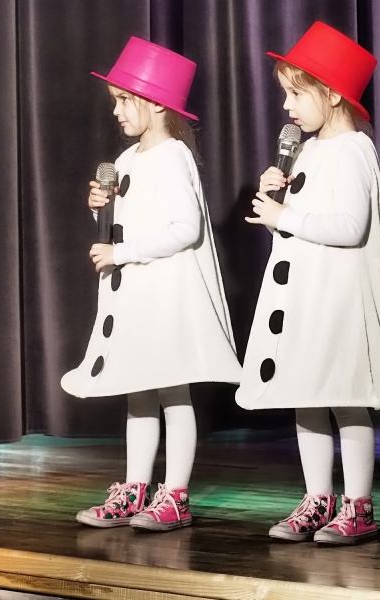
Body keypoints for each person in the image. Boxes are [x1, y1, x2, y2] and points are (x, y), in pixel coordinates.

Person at [236, 22, 380, 545]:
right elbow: (301, 228)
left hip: (337, 298)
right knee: (306, 393)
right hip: (305, 296)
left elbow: (350, 227)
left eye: (296, 94)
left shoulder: (353, 148)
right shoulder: (309, 150)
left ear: (332, 93)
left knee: (345, 396)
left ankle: (358, 506)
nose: (286, 106)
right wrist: (277, 205)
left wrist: (286, 217)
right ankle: (318, 499)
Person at [62, 37, 241, 531]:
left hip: (164, 295)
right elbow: (130, 220)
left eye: (125, 100)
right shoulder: (126, 161)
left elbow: (186, 228)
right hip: (135, 296)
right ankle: (135, 488)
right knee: (137, 391)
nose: (116, 111)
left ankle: (175, 495)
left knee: (172, 392)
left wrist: (121, 253)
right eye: (116, 100)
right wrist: (100, 209)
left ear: (157, 104)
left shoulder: (172, 155)